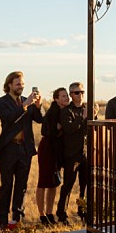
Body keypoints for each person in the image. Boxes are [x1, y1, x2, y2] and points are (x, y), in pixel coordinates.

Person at [0, 71, 43, 229]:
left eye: (22, 84)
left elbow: (40, 119)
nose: (21, 87)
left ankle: (17, 219)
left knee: (22, 185)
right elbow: (8, 119)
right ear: (9, 85)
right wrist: (24, 106)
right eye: (18, 84)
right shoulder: (1, 102)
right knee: (6, 185)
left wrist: (38, 105)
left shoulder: (26, 101)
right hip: (8, 148)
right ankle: (2, 220)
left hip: (25, 148)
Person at [59, 82, 91, 224]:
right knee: (68, 184)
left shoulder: (87, 109)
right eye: (77, 93)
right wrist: (82, 118)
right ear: (71, 95)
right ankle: (62, 214)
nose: (81, 95)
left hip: (86, 152)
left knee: (85, 184)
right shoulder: (67, 111)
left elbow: (90, 130)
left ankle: (82, 210)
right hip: (72, 154)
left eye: (82, 92)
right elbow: (69, 129)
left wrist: (92, 116)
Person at [36, 87, 68, 225]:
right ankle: (42, 214)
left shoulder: (66, 111)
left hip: (58, 150)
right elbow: (46, 131)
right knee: (44, 181)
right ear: (56, 99)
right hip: (48, 148)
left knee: (54, 182)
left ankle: (49, 213)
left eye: (67, 96)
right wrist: (58, 128)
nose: (66, 98)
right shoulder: (53, 112)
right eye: (63, 96)